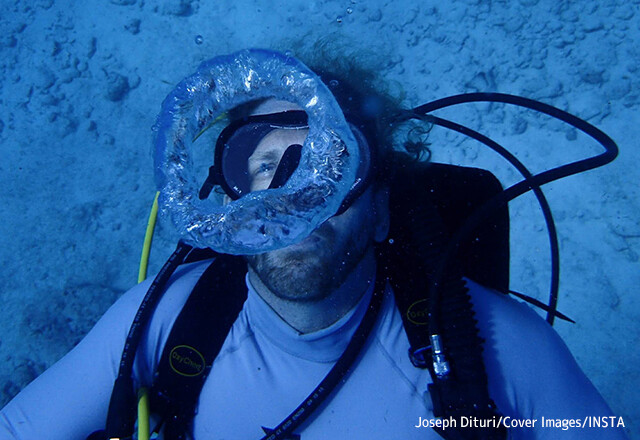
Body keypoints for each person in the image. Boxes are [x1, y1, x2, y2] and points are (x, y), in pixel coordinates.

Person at [0, 50, 629, 440]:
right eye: (262, 162)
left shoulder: (498, 346)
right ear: (227, 206)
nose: (292, 199)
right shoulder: (163, 323)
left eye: (327, 166)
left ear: (381, 207)